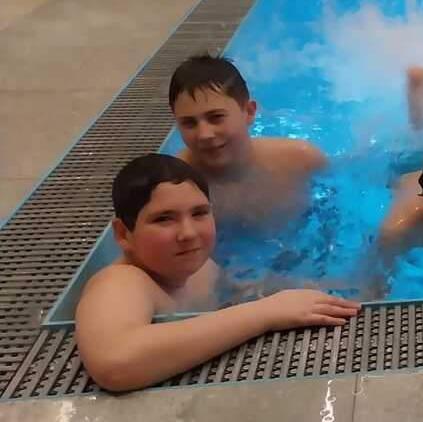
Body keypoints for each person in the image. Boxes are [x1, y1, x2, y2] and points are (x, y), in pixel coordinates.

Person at [74, 154, 358, 393]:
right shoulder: (121, 281)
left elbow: (239, 290)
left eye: (199, 213)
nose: (188, 233)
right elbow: (115, 363)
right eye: (164, 219)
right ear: (123, 233)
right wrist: (266, 313)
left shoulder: (197, 267)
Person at [168, 55, 326, 222]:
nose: (204, 134)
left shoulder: (302, 160)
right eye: (189, 123)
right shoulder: (173, 185)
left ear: (249, 112)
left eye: (216, 117)